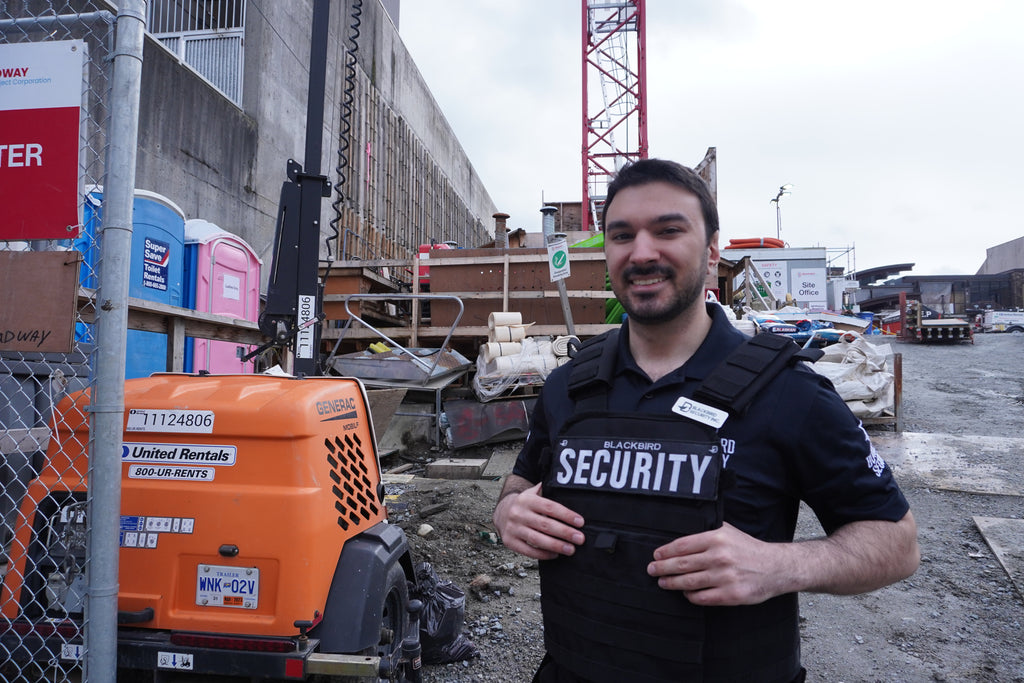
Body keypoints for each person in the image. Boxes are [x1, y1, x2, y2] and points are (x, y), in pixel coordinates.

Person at [492, 158, 919, 683]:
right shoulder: (567, 387)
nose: (642, 252)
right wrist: (509, 511)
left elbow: (897, 544)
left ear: (713, 250)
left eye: (668, 230)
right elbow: (520, 482)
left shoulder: (789, 392)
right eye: (622, 235)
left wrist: (781, 566)